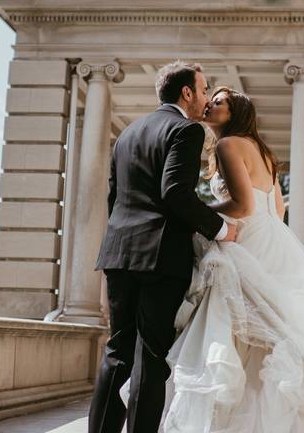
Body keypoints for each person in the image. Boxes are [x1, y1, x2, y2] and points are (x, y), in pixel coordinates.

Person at [161, 86, 304, 433]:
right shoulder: (263, 152)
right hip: (274, 242)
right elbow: (276, 210)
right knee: (272, 331)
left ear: (235, 112)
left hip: (246, 242)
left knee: (237, 328)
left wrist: (197, 214)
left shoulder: (226, 145)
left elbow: (242, 206)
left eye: (219, 102)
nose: (209, 105)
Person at [89, 62, 238, 433]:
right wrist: (221, 229)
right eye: (203, 90)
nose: (205, 99)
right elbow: (175, 193)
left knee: (117, 353)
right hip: (159, 257)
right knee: (151, 358)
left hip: (119, 253)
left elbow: (114, 198)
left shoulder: (128, 134)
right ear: (186, 93)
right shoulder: (185, 130)